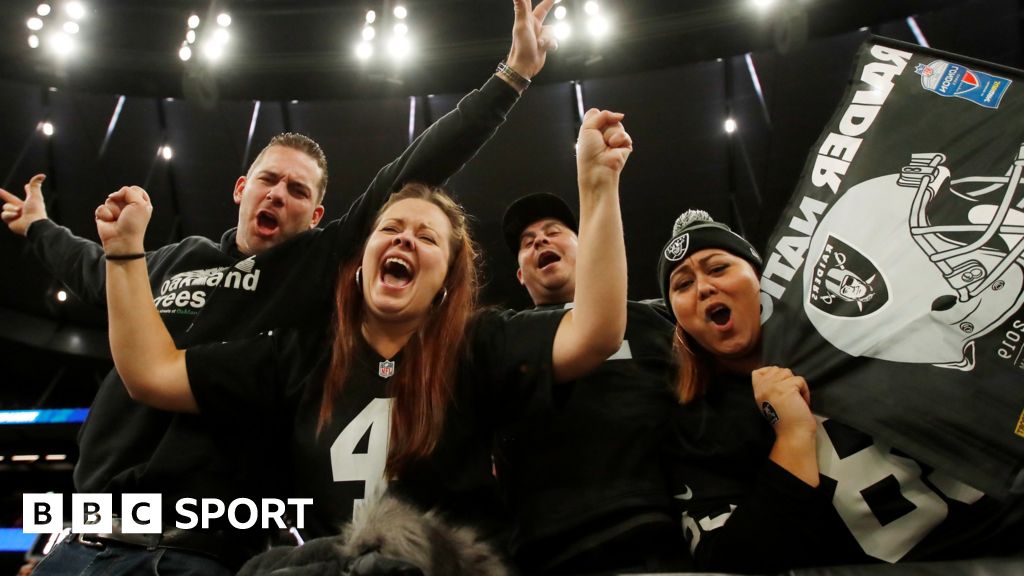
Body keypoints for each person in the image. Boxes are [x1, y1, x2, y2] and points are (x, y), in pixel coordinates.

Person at [2, 2, 556, 572]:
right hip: (85, 536)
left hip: (201, 548)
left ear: (316, 217)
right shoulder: (171, 258)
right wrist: (37, 228)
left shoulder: (310, 266)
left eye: (297, 190)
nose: (277, 195)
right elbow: (90, 267)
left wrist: (509, 78)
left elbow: (414, 168)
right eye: (268, 180)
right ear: (242, 188)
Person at [93, 106, 632, 570]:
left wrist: (597, 186)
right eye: (390, 230)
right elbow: (151, 372)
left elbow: (595, 331)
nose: (404, 239)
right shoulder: (301, 354)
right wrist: (123, 255)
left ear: (447, 280)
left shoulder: (478, 343)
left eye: (427, 238)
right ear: (359, 262)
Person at [658, 209, 1024, 573]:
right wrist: (792, 437)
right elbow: (733, 563)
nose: (704, 287)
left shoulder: (861, 328)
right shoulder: (700, 426)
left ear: (761, 278)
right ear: (677, 318)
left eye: (718, 267)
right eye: (682, 284)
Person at [495, 192, 684, 573]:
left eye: (553, 232)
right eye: (528, 243)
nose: (540, 242)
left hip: (658, 536)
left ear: (588, 248)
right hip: (543, 549)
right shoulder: (504, 339)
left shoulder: (654, 321)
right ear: (520, 274)